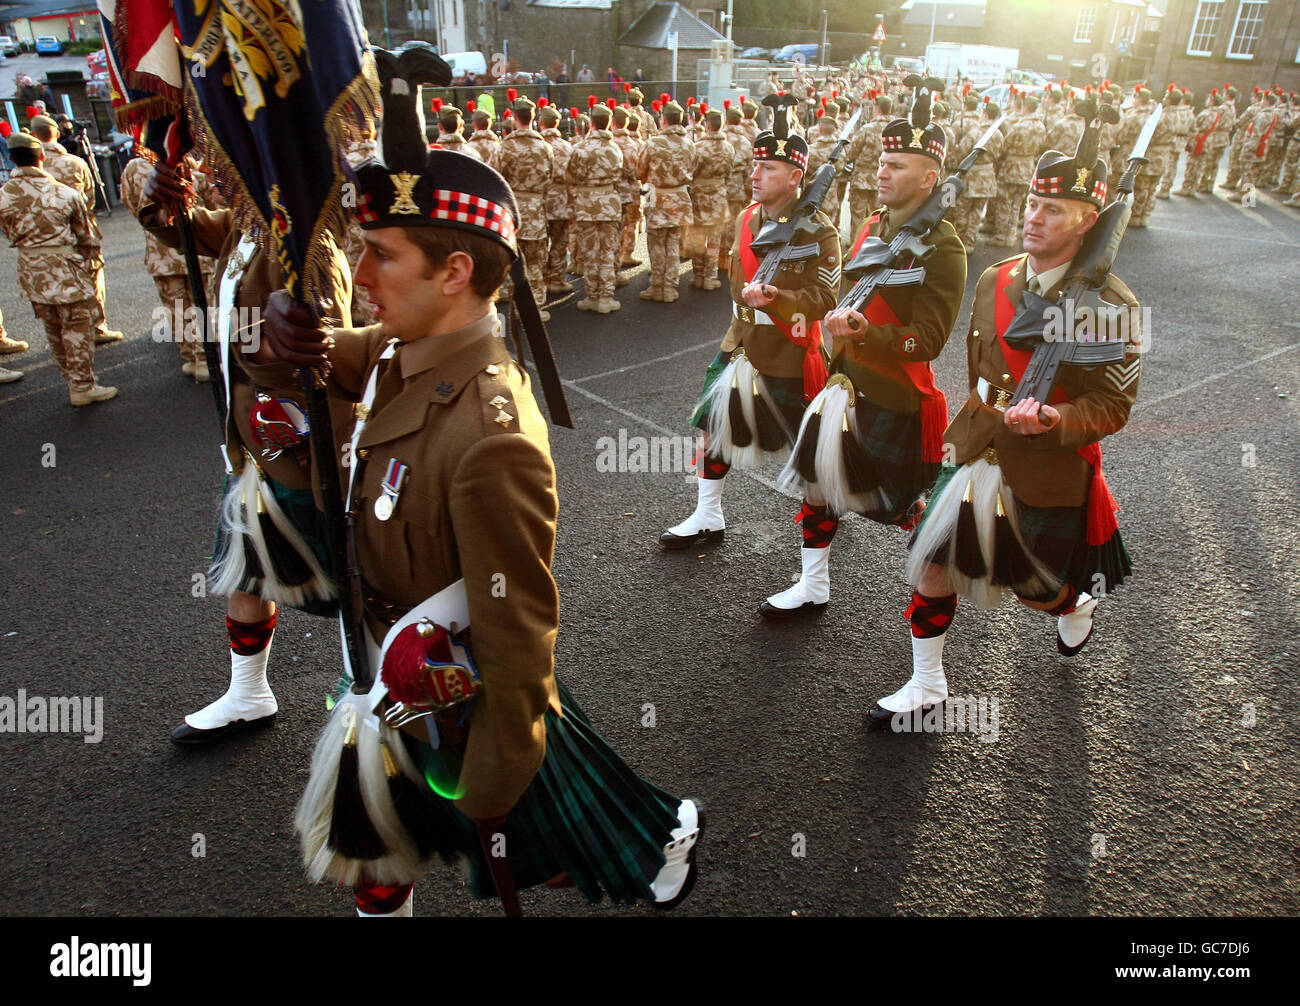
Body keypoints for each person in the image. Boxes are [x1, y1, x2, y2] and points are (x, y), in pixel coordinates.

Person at [251, 143, 703, 916]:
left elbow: (517, 628)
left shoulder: (489, 434)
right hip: (380, 659)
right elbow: (311, 381)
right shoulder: (401, 348)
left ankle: (660, 841)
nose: (358, 277)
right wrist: (277, 350)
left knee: (540, 843)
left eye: (382, 256)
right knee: (378, 849)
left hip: (458, 681)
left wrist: (492, 785)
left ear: (455, 273)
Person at [876, 120, 1141, 724]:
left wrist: (1053, 416)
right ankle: (928, 684)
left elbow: (1112, 406)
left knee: (1034, 589)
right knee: (934, 560)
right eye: (1032, 203)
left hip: (1043, 462)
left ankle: (1074, 604)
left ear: (1089, 223)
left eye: (1054, 209)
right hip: (978, 442)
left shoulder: (1114, 307)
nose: (1035, 216)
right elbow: (979, 367)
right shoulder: (997, 277)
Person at [138, 158, 352, 745]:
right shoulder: (248, 227)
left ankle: (367, 687)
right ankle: (248, 692)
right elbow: (186, 228)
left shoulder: (306, 248)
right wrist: (162, 201)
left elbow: (332, 359)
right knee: (248, 566)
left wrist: (279, 349)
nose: (217, 174)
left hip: (300, 450)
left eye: (232, 167)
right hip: (250, 444)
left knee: (349, 581)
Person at [766, 84, 966, 618]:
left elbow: (929, 339)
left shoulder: (945, 248)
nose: (881, 172)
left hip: (895, 396)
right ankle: (813, 583)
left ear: (929, 178)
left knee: (889, 504)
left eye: (896, 165)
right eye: (881, 161)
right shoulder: (874, 228)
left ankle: (1038, 587)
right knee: (818, 483)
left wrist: (864, 332)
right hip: (843, 384)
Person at [660, 96, 839, 554]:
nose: (755, 175)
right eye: (755, 165)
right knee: (711, 425)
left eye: (769, 168)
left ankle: (815, 568)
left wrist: (779, 300)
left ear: (796, 177)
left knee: (812, 457)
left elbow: (826, 299)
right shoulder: (745, 218)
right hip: (738, 341)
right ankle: (708, 514)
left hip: (788, 350)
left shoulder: (820, 232)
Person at [0, 131, 116, 406]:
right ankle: (82, 386)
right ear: (41, 156)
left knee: (52, 328)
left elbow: (6, 231)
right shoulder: (65, 193)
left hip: (31, 272)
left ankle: (71, 379)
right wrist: (89, 265)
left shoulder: (2, 196)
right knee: (76, 328)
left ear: (12, 159)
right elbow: (87, 238)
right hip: (66, 270)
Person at [119, 152, 219, 378]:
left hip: (161, 250)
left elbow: (131, 203)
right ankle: (206, 358)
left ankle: (190, 357)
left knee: (176, 308)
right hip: (196, 245)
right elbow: (212, 204)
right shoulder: (185, 159)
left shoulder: (134, 167)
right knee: (203, 305)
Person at [29, 115, 124, 346]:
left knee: (55, 283)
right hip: (81, 230)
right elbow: (90, 201)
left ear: (34, 136)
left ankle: (64, 331)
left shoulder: (33, 168)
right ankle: (97, 327)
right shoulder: (75, 163)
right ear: (57, 133)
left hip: (47, 235)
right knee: (92, 277)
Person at [493, 93, 555, 321]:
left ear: (514, 118)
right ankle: (535, 308)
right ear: (533, 117)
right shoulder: (544, 147)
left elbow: (496, 177)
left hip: (513, 211)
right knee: (537, 261)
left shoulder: (506, 147)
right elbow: (550, 177)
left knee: (515, 261)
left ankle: (517, 306)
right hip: (536, 209)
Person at [564, 101, 623, 312]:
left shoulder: (579, 148)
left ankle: (592, 296)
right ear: (609, 124)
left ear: (591, 123)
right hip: (609, 204)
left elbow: (569, 175)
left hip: (586, 205)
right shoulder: (615, 148)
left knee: (590, 253)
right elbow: (619, 174)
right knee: (608, 252)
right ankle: (606, 298)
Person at [636, 100, 696, 303]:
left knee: (656, 244)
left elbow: (640, 170)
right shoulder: (690, 143)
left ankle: (657, 285)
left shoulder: (653, 142)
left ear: (663, 120)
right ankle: (670, 287)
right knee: (673, 244)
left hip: (660, 198)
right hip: (680, 198)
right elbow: (694, 169)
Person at [686, 108, 734, 290]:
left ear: (706, 125)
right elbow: (729, 172)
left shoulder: (697, 147)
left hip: (699, 195)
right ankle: (710, 277)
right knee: (715, 239)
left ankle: (697, 274)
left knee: (698, 236)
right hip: (718, 195)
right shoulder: (729, 148)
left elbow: (690, 171)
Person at [537, 103, 575, 295]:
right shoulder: (567, 147)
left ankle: (541, 280)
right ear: (558, 123)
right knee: (560, 241)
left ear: (541, 123)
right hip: (562, 200)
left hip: (539, 202)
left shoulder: (536, 146)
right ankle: (557, 279)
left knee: (539, 244)